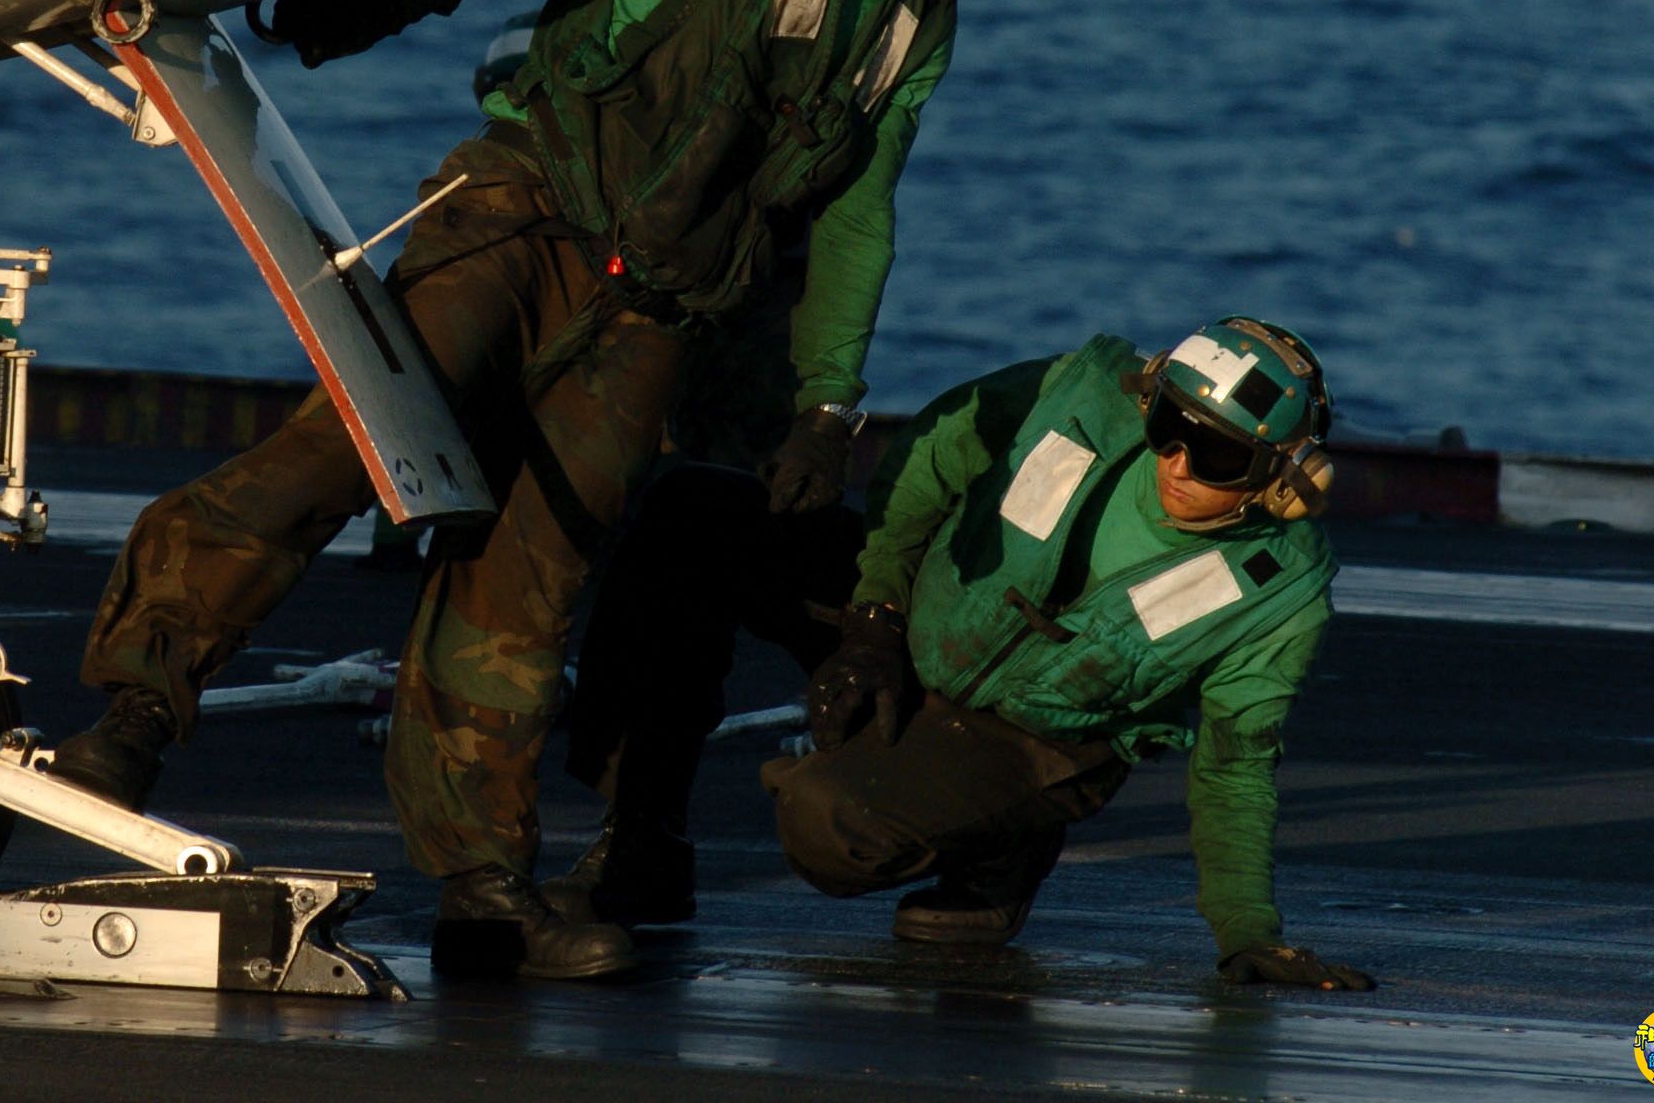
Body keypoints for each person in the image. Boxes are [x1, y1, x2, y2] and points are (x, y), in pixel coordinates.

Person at [57, 0, 1090, 979]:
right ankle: (131, 712)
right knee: (350, 449)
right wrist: (378, 5)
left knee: (530, 581)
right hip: (521, 217)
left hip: (656, 313)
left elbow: (861, 209)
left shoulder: (913, 24)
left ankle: (484, 892)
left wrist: (827, 401)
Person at [551, 317, 1376, 993]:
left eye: (1220, 455)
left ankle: (1001, 849)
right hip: (917, 621)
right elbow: (929, 458)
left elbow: (1236, 766)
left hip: (1039, 738)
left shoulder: (1279, 592)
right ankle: (641, 843)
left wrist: (1247, 935)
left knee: (828, 826)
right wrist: (874, 618)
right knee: (692, 512)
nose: (1177, 463)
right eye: (1169, 425)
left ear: (1283, 480)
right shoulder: (1079, 392)